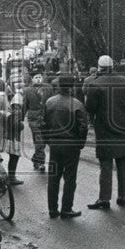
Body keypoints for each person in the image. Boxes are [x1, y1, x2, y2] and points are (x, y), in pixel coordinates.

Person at [86, 55, 125, 210]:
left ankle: (104, 198)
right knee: (122, 163)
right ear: (112, 67)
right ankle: (122, 196)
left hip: (105, 129)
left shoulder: (95, 85)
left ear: (99, 68)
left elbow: (90, 108)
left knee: (106, 165)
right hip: (123, 128)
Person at [42, 74, 89, 218]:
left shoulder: (50, 102)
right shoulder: (76, 104)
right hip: (71, 145)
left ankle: (52, 209)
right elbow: (83, 127)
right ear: (72, 87)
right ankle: (66, 208)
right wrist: (80, 144)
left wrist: (48, 140)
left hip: (55, 144)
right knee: (70, 178)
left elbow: (43, 124)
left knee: (54, 177)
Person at [0, 77, 23, 185]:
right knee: (5, 154)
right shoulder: (2, 97)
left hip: (1, 128)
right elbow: (1, 114)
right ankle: (4, 177)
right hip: (6, 129)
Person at [22, 73, 48, 172]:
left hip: (46, 119)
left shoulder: (48, 89)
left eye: (40, 77)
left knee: (43, 140)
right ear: (32, 79)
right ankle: (41, 163)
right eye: (36, 78)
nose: (38, 79)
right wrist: (20, 119)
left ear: (42, 78)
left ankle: (36, 158)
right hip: (34, 119)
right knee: (39, 141)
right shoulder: (27, 90)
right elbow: (24, 105)